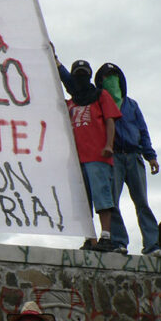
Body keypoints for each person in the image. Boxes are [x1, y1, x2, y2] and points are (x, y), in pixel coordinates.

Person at [94, 63, 161, 257]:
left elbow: (143, 131)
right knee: (113, 202)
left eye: (114, 76)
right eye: (106, 77)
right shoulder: (99, 104)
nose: (111, 80)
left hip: (134, 155)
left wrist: (150, 156)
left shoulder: (132, 105)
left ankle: (152, 245)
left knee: (142, 202)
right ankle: (118, 242)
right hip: (113, 157)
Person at [56, 57, 122, 252]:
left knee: (102, 197)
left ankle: (106, 236)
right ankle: (89, 239)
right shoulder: (70, 103)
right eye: (77, 75)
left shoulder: (101, 96)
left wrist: (109, 145)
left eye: (84, 75)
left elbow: (110, 121)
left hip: (97, 156)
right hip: (77, 160)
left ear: (90, 76)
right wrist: (55, 60)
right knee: (82, 201)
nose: (80, 79)